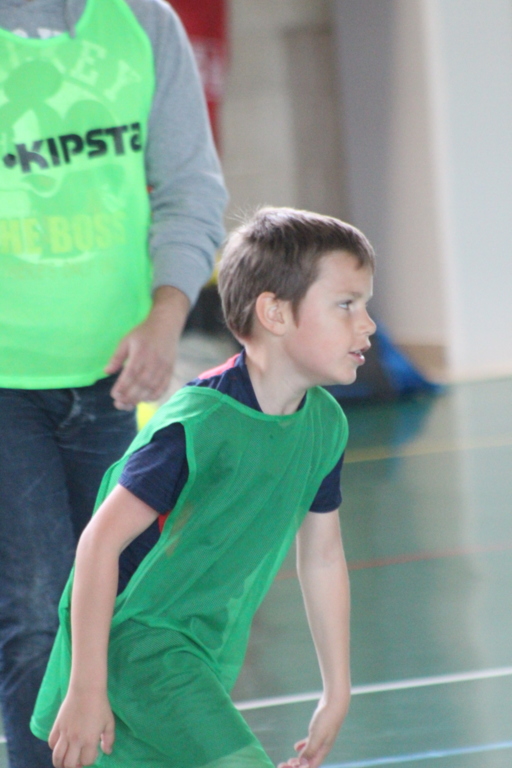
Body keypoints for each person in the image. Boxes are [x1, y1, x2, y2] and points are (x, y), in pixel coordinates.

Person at [30, 207, 376, 768]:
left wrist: (336, 690)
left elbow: (323, 556)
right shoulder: (199, 424)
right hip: (140, 648)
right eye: (346, 305)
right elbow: (99, 543)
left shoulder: (324, 425)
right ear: (274, 313)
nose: (367, 324)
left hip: (202, 653)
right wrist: (87, 688)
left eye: (364, 305)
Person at [0, 1, 227, 766]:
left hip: (115, 382)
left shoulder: (143, 23)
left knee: (120, 609)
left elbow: (190, 186)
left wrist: (167, 315)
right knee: (35, 616)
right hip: (5, 382)